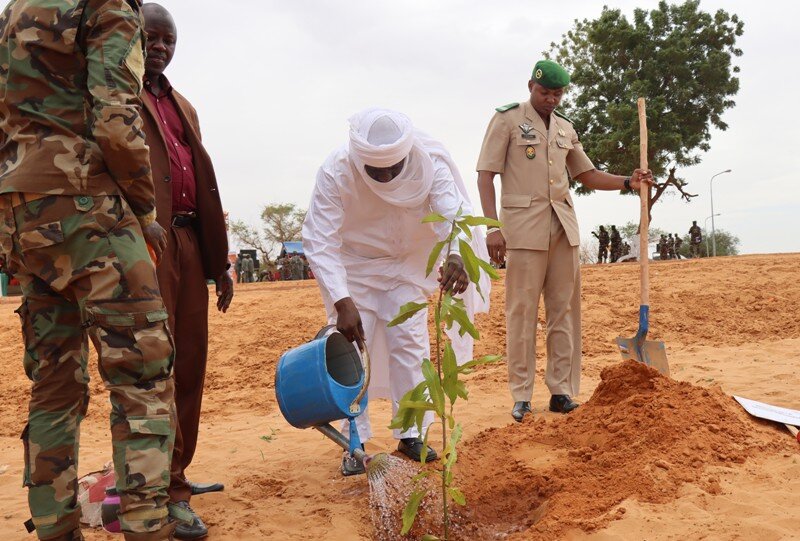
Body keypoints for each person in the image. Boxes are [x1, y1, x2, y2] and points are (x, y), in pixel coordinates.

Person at [0, 1, 179, 539]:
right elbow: (116, 120)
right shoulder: (106, 4)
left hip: (22, 213)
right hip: (89, 209)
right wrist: (145, 211)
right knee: (142, 372)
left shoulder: (16, 9)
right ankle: (148, 523)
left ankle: (55, 525)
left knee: (54, 381)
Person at [303, 108, 489, 475]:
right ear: (360, 159)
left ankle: (411, 433)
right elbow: (319, 238)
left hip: (407, 266)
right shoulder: (336, 169)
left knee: (410, 343)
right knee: (353, 352)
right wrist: (343, 301)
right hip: (354, 269)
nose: (386, 176)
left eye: (393, 168)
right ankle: (354, 442)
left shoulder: (429, 161)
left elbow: (454, 215)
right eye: (376, 171)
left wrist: (456, 254)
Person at [476, 60, 653, 422]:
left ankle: (560, 390)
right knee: (522, 313)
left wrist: (627, 181)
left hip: (563, 229)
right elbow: (485, 175)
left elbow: (585, 174)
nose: (551, 100)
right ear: (531, 86)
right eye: (545, 93)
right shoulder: (507, 120)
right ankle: (521, 394)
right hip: (522, 230)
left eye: (557, 94)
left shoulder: (565, 127)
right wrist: (492, 228)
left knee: (564, 313)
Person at [139, 4, 233, 537]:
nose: (160, 47)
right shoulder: (114, 98)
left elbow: (202, 181)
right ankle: (162, 490)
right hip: (143, 247)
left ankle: (177, 472)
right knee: (154, 364)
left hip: (189, 242)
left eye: (168, 40)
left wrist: (219, 263)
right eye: (150, 38)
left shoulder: (183, 107)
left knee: (191, 364)